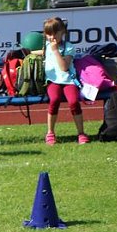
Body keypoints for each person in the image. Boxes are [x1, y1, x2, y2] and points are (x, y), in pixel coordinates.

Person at [43, 16, 89, 146]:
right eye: (48, 34)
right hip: (53, 81)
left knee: (74, 102)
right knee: (54, 100)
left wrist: (55, 50)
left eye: (54, 33)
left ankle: (81, 133)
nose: (51, 37)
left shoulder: (69, 47)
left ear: (62, 32)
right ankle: (50, 133)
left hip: (68, 80)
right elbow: (39, 52)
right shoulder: (46, 46)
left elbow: (64, 67)